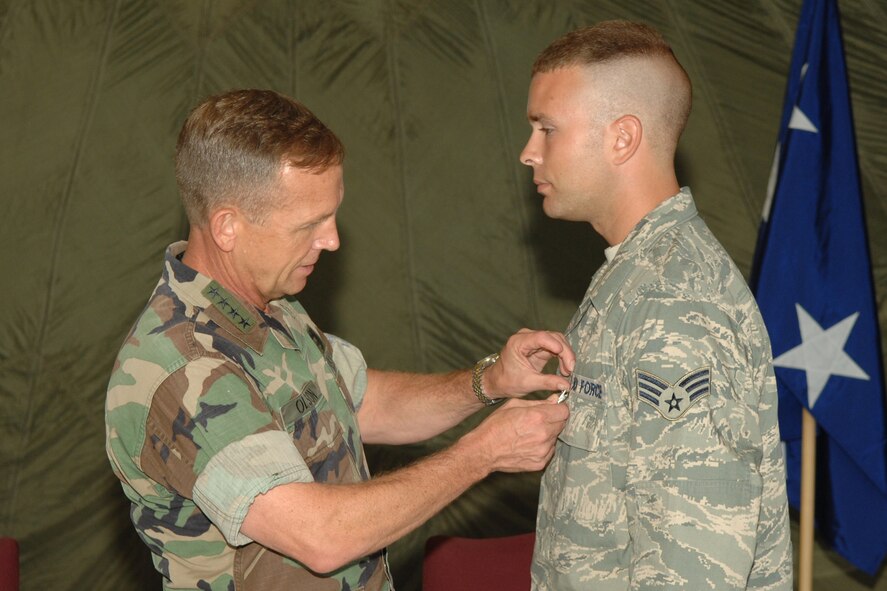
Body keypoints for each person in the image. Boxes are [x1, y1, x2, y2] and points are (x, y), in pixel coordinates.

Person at [105, 89, 573, 590]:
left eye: (332, 215)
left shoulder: (269, 304)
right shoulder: (183, 366)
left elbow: (368, 403)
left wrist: (490, 382)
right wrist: (483, 452)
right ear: (227, 227)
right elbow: (320, 537)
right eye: (309, 224)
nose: (332, 240)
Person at [520, 21, 792, 590]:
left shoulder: (673, 302)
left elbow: (694, 571)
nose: (528, 153)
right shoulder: (634, 275)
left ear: (621, 138)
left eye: (547, 129)